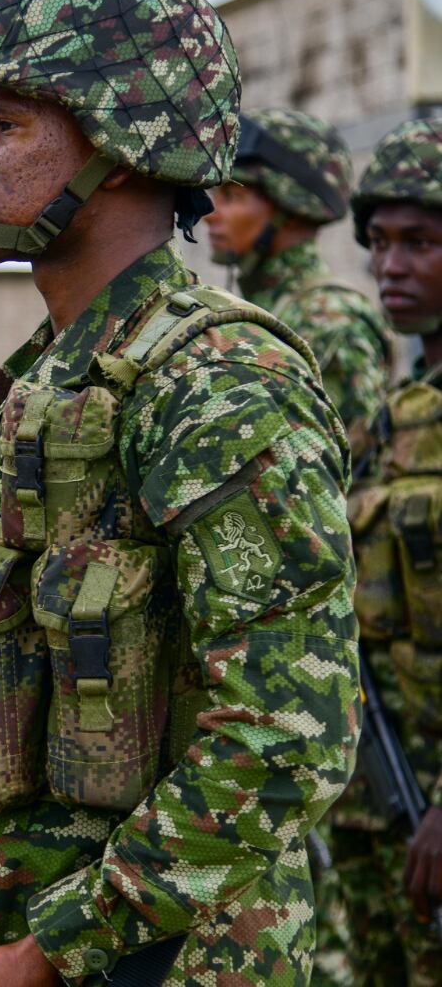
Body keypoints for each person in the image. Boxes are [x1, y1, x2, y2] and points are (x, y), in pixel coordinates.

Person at [0, 0, 360, 987]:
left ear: (120, 148)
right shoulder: (46, 383)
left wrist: (53, 951)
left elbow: (288, 739)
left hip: (155, 963)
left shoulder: (217, 381)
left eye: (6, 124)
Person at [329, 116, 442, 987]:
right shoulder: (401, 411)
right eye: (378, 243)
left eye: (419, 242)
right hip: (380, 800)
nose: (389, 265)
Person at [205, 107, 392, 452]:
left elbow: (353, 463)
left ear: (289, 209)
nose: (210, 215)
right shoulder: (261, 308)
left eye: (232, 197)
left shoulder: (330, 322)